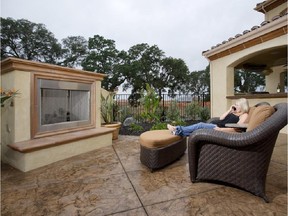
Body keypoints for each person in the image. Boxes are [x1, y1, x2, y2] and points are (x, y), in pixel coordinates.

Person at [167, 98, 249, 136]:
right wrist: (229, 110)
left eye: (237, 105)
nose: (235, 106)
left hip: (217, 127)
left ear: (242, 106)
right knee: (197, 131)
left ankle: (177, 128)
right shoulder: (233, 112)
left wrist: (220, 129)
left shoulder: (244, 115)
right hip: (216, 125)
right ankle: (177, 132)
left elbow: (237, 129)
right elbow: (221, 118)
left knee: (200, 125)